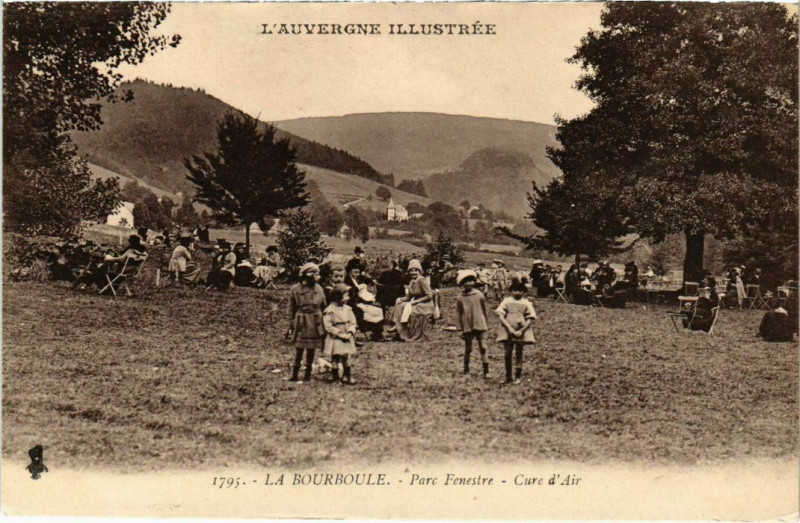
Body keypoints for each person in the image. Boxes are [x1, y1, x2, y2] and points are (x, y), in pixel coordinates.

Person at [287, 263, 327, 383]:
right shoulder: (295, 289)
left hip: (315, 321)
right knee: (299, 348)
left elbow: (324, 306)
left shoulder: (319, 288)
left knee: (311, 349)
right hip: (301, 321)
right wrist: (291, 321)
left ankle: (307, 374)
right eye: (315, 274)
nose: (318, 276)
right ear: (308, 275)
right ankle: (294, 373)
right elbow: (291, 307)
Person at [496, 279, 537, 384]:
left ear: (524, 292)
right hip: (508, 330)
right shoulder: (506, 301)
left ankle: (518, 375)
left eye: (520, 291)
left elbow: (530, 318)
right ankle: (508, 376)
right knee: (507, 353)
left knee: (519, 352)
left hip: (520, 331)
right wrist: (509, 328)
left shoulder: (526, 302)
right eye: (515, 290)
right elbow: (500, 315)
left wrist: (522, 330)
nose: (517, 293)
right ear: (511, 291)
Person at [73, 234, 148, 290]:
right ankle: (86, 284)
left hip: (120, 271)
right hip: (129, 271)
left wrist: (110, 258)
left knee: (98, 269)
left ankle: (84, 283)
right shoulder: (141, 253)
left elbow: (121, 259)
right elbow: (125, 260)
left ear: (131, 242)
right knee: (100, 268)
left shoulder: (131, 250)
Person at [455, 270, 490, 378]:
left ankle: (486, 371)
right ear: (462, 283)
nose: (469, 283)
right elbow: (458, 313)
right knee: (468, 348)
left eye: (471, 281)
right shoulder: (460, 297)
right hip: (467, 324)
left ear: (474, 281)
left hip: (479, 323)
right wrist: (459, 328)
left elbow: (484, 310)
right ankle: (466, 370)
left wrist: (486, 323)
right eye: (466, 281)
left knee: (483, 347)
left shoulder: (479, 295)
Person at [390, 259, 434, 342]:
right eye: (411, 270)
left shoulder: (422, 280)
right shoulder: (412, 281)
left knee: (411, 310)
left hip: (425, 304)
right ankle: (397, 326)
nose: (413, 272)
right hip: (415, 302)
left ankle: (405, 331)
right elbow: (409, 296)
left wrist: (416, 302)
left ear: (419, 271)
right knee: (399, 305)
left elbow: (429, 296)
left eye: (415, 270)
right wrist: (400, 299)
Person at [323, 283, 358, 384]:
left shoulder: (348, 309)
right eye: (346, 295)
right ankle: (335, 376)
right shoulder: (329, 311)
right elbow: (328, 326)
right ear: (338, 296)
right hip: (336, 337)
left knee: (347, 356)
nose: (348, 297)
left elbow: (353, 322)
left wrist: (350, 332)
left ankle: (347, 375)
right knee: (335, 357)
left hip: (347, 335)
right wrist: (339, 334)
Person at [345, 259, 384, 342]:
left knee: (377, 307)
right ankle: (374, 333)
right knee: (360, 310)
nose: (357, 270)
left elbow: (369, 282)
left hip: (360, 301)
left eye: (358, 269)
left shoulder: (359, 279)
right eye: (354, 268)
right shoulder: (346, 280)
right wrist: (358, 289)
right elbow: (348, 293)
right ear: (349, 270)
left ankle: (377, 333)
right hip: (349, 302)